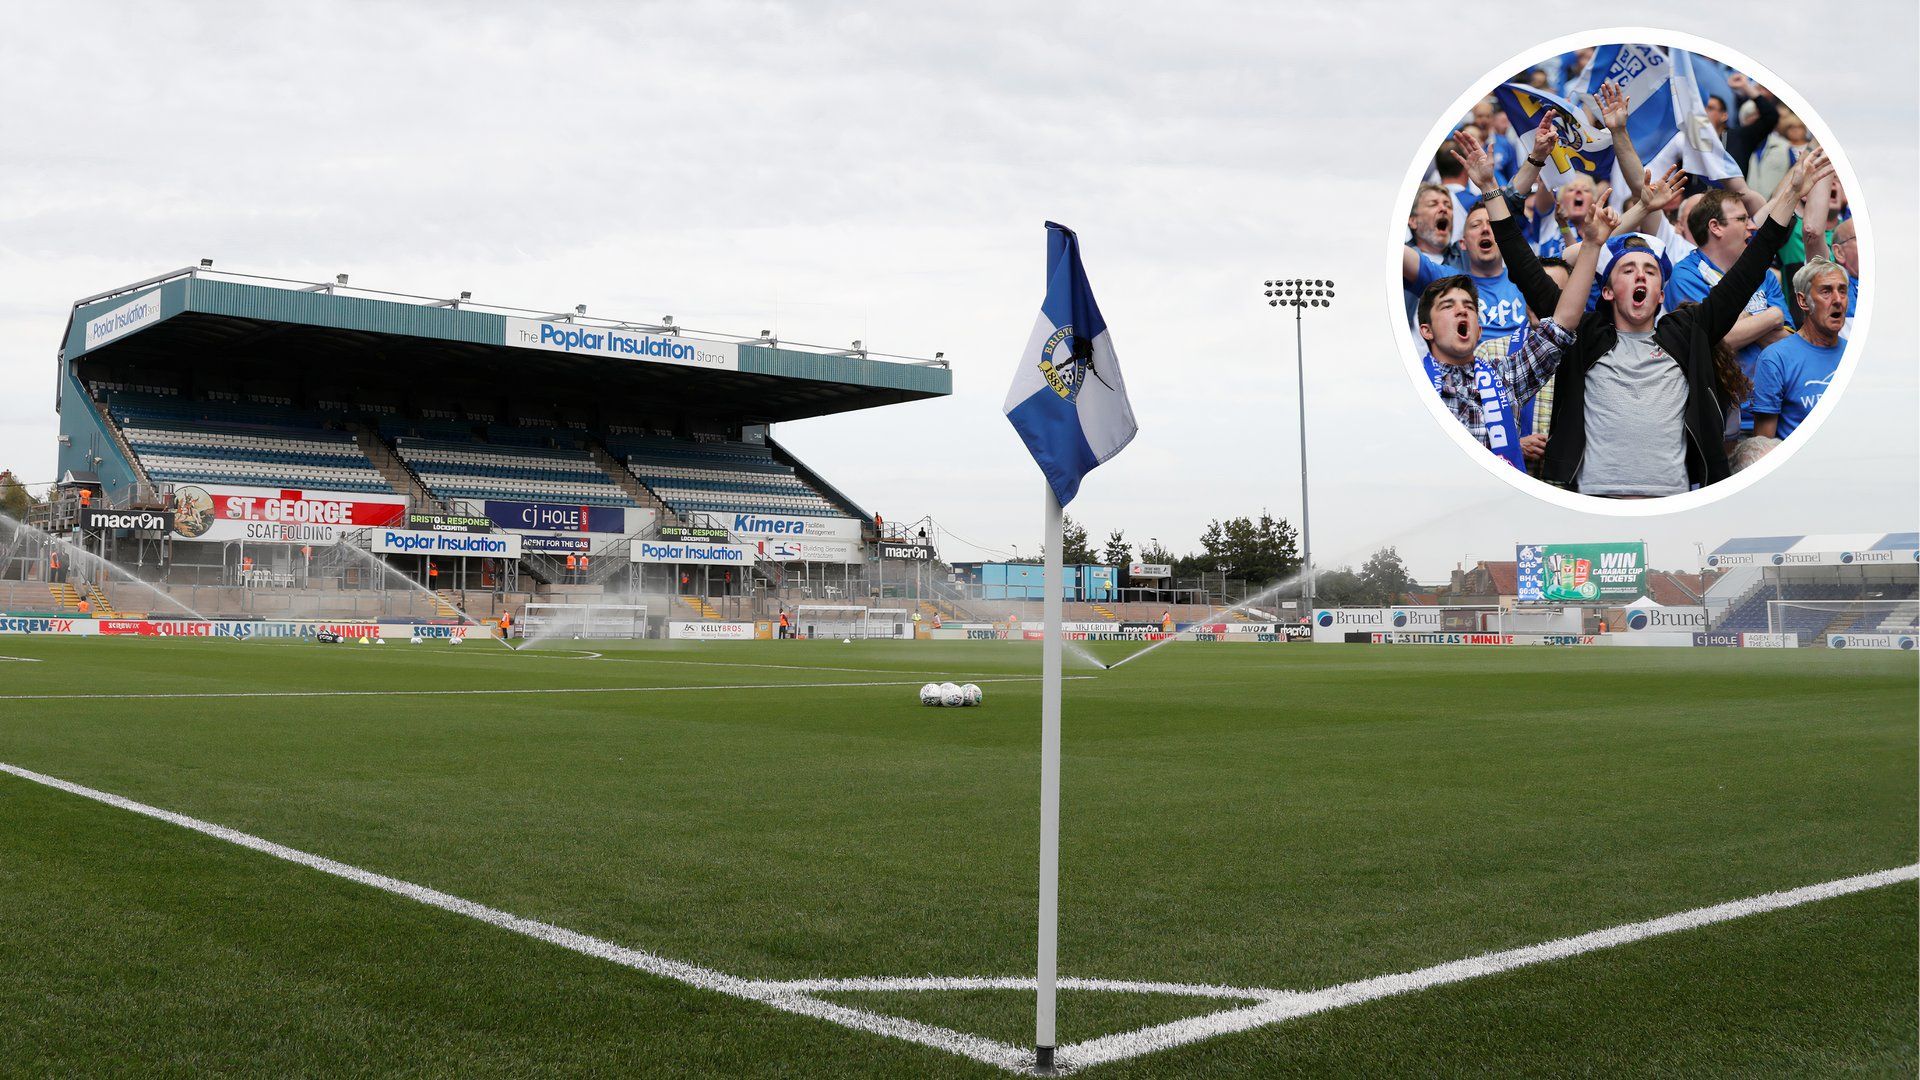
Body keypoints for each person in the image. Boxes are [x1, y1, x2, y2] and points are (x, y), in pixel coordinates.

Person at [1492, 143, 1835, 494]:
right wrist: (1491, 188)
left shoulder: (1689, 332)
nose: (1640, 276)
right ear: (1607, 291)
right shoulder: (1584, 335)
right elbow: (1524, 269)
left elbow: (1753, 263)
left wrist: (1792, 192)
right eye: (1628, 269)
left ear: (1660, 293)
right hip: (1593, 499)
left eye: (1650, 272)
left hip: (1674, 501)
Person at [1669, 188, 1797, 435]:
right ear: (1715, 227)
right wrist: (1771, 316)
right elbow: (1718, 340)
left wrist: (1745, 320)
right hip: (1719, 420)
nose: (1751, 226)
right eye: (1742, 219)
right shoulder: (1687, 275)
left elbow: (1789, 345)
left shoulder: (1764, 275)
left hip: (1773, 412)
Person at [1752, 259, 1848, 440]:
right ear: (1803, 301)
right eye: (1826, 291)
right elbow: (1762, 447)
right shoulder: (1775, 359)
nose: (1837, 300)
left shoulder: (1855, 354)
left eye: (1842, 291)